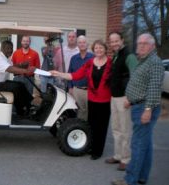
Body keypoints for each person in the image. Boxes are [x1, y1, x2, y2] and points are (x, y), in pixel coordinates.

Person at [112, 34, 164, 185]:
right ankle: (142, 177)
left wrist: (147, 110)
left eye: (145, 43)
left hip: (144, 108)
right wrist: (130, 99)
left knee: (138, 145)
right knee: (145, 145)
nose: (141, 45)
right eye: (139, 43)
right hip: (137, 104)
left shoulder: (154, 62)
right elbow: (139, 84)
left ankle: (130, 180)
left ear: (152, 46)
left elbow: (154, 89)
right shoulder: (144, 60)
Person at [50, 39, 112, 160]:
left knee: (102, 127)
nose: (98, 50)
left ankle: (98, 151)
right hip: (92, 99)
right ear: (94, 50)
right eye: (96, 48)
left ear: (105, 49)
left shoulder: (110, 63)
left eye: (101, 48)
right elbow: (75, 75)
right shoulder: (90, 63)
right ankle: (91, 147)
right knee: (92, 125)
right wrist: (58, 73)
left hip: (105, 101)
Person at [105, 32, 138, 171]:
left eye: (116, 41)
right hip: (114, 96)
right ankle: (118, 155)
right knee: (116, 128)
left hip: (124, 98)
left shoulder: (129, 56)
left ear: (122, 40)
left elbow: (136, 78)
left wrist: (130, 98)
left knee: (125, 130)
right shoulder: (116, 56)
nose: (114, 44)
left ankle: (126, 158)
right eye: (112, 42)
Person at [0, 40, 36, 116]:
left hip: (0, 83)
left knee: (20, 84)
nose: (10, 50)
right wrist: (26, 70)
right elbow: (10, 69)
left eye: (11, 48)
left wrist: (21, 65)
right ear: (2, 49)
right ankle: (21, 111)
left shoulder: (6, 58)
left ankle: (29, 105)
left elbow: (12, 66)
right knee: (15, 88)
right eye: (8, 48)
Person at [68, 35, 94, 121]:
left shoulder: (93, 58)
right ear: (77, 45)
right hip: (77, 90)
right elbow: (70, 73)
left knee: (90, 111)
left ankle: (90, 131)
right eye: (80, 42)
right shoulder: (74, 58)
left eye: (84, 42)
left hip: (90, 90)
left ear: (87, 44)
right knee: (79, 111)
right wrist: (70, 87)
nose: (82, 44)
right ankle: (81, 129)